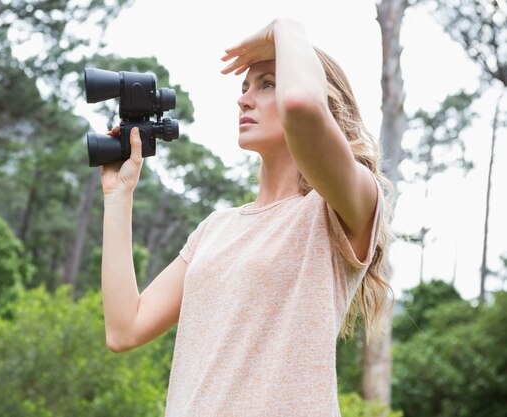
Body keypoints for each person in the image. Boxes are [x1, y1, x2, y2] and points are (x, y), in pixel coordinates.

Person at [99, 18, 394, 417]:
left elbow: (302, 108)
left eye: (267, 83)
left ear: (325, 102)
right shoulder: (215, 228)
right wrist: (119, 197)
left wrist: (287, 27)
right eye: (244, 87)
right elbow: (124, 328)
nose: (244, 100)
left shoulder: (341, 207)